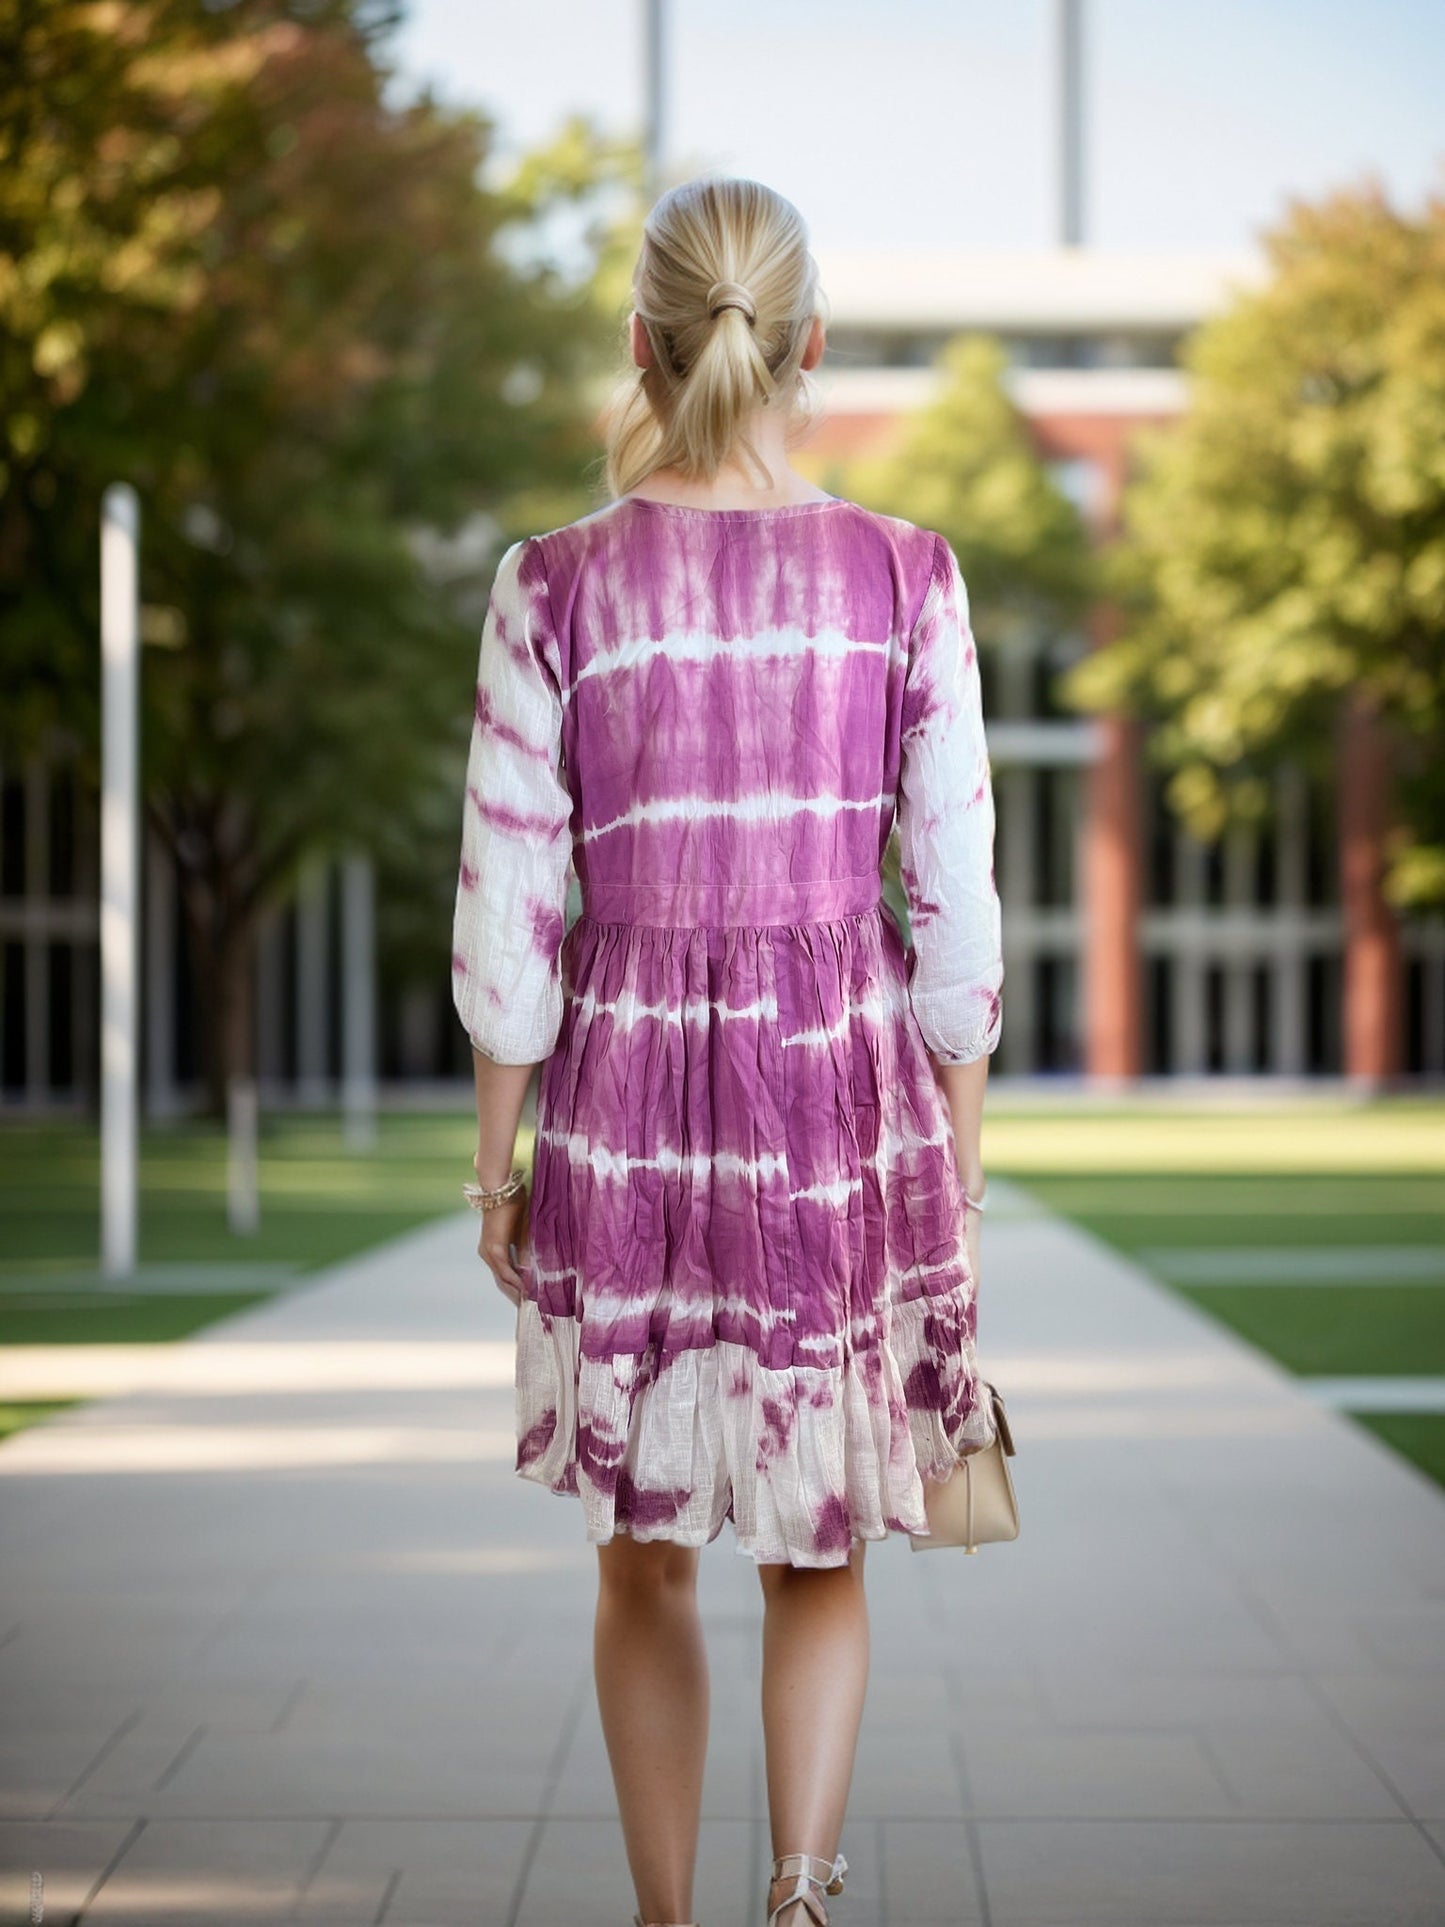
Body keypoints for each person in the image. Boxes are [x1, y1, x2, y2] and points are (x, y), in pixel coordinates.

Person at [451, 174, 1003, 1927]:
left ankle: (669, 1923)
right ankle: (801, 1896)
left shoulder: (552, 587)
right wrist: (960, 1151)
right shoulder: (907, 578)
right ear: (810, 346)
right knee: (821, 1541)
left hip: (624, 1117)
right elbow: (958, 910)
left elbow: (505, 914)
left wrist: (498, 1163)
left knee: (643, 1550)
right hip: (837, 1104)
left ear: (641, 341)